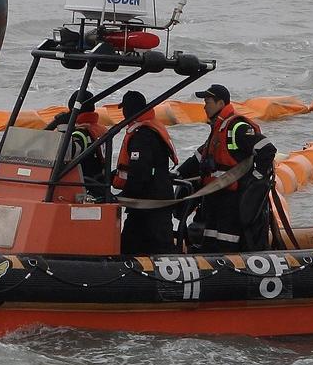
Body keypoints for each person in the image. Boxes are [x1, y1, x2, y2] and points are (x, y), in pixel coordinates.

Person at [177, 84, 276, 252]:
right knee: (209, 240)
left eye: (208, 101)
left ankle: (230, 271)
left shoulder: (237, 127)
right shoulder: (218, 129)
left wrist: (255, 179)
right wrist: (176, 174)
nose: (204, 106)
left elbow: (267, 149)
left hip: (232, 199)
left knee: (226, 241)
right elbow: (198, 159)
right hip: (215, 197)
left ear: (220, 103)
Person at [111, 89, 179, 254]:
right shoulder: (146, 131)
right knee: (132, 240)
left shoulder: (143, 135)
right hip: (147, 200)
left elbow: (140, 173)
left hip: (151, 201)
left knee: (157, 243)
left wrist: (121, 197)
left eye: (125, 109)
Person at [49, 92, 110, 193]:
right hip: (99, 183)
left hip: (82, 187)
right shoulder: (102, 130)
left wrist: (63, 127)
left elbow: (66, 154)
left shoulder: (80, 133)